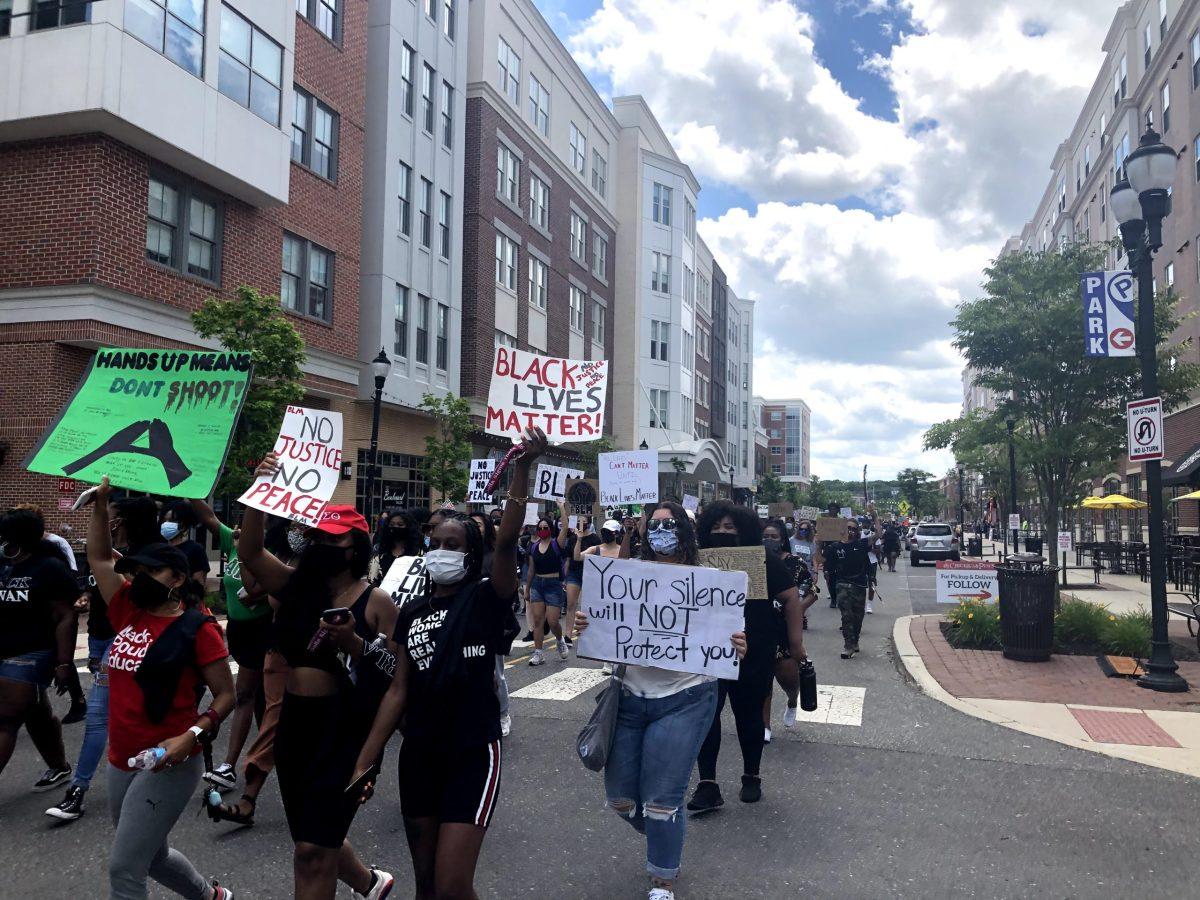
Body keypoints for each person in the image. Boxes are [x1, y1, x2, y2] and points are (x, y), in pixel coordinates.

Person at [351, 428, 539, 900]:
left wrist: (521, 467)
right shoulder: (411, 612)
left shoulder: (484, 597)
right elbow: (398, 690)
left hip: (473, 750)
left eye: (453, 545)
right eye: (434, 541)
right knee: (428, 886)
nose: (441, 550)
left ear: (470, 555)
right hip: (419, 753)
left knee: (454, 884)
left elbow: (507, 540)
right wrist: (365, 761)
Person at [237, 482, 398, 900]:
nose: (322, 544)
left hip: (345, 730)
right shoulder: (294, 587)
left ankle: (364, 881)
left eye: (333, 537)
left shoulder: (377, 602)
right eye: (316, 537)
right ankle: (370, 883)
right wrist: (259, 493)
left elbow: (397, 674)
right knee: (310, 840)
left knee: (311, 851)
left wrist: (355, 645)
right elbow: (251, 553)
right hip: (295, 728)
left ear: (356, 546)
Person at [574, 502, 744, 900]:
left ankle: (663, 880)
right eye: (655, 526)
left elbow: (731, 640)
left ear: (686, 531)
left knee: (663, 800)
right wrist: (587, 623)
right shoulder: (626, 577)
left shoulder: (710, 581)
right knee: (620, 798)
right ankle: (665, 830)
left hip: (686, 697)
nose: (662, 532)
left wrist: (739, 645)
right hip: (630, 698)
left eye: (670, 525)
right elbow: (600, 625)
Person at [85, 478, 237, 900]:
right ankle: (211, 896)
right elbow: (99, 557)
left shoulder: (198, 628)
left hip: (169, 761)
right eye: (139, 570)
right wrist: (101, 504)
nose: (142, 577)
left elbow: (227, 696)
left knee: (125, 868)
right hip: (122, 758)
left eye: (154, 570)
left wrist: (190, 736)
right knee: (151, 856)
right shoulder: (128, 609)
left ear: (178, 577)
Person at [46, 494, 159, 821]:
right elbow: (97, 588)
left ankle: (79, 789)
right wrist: (86, 598)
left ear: (122, 522)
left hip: (131, 644)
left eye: (109, 516)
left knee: (101, 715)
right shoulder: (108, 556)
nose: (106, 522)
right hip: (102, 639)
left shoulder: (149, 559)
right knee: (111, 715)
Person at [689, 502, 802, 811]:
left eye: (730, 528)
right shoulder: (696, 560)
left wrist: (795, 644)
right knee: (707, 716)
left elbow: (791, 597)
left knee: (749, 714)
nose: (722, 533)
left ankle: (751, 775)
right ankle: (707, 783)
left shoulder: (762, 559)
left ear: (745, 531)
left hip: (753, 649)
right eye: (716, 527)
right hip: (707, 650)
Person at [205, 518, 305, 828]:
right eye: (295, 525)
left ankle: (292, 792)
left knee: (288, 720)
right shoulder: (284, 558)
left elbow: (265, 592)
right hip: (277, 648)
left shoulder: (314, 565)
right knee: (272, 717)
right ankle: (249, 797)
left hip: (304, 653)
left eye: (303, 526)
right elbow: (255, 588)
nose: (298, 531)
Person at [189, 499, 272, 795]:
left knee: (246, 695)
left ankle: (230, 766)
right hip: (238, 629)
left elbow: (266, 588)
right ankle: (266, 758)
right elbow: (208, 516)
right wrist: (190, 487)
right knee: (260, 699)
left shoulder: (266, 553)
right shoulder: (233, 542)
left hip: (262, 630)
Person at [0, 507, 78, 789]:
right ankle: (59, 767)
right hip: (4, 649)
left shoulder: (48, 568)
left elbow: (65, 616)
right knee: (36, 713)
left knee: (5, 719)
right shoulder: (3, 564)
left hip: (32, 652)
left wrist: (63, 663)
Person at [759, 520, 818, 735]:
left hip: (786, 631)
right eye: (765, 536)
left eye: (773, 537)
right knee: (763, 680)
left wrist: (797, 610)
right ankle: (764, 725)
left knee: (788, 679)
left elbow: (813, 591)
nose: (769, 541)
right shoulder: (755, 562)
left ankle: (793, 701)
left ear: (783, 540)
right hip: (762, 628)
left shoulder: (796, 563)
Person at [470, 512, 512, 738]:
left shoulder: (494, 556)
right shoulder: (465, 553)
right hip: (466, 620)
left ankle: (503, 713)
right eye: (471, 525)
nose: (475, 528)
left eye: (479, 525)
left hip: (489, 620)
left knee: (496, 672)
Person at [523, 514, 569, 665]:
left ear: (551, 529)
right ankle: (539, 653)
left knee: (553, 620)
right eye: (540, 528)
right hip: (537, 584)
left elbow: (565, 526)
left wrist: (561, 507)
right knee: (537, 620)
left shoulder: (557, 544)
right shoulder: (534, 547)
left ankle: (559, 640)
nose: (542, 530)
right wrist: (527, 589)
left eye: (546, 528)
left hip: (553, 585)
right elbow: (531, 570)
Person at [829, 520, 871, 659]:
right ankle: (848, 646)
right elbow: (823, 561)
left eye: (853, 529)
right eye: (848, 528)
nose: (850, 531)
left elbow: (878, 535)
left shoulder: (861, 545)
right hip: (842, 585)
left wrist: (874, 516)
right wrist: (817, 545)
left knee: (858, 616)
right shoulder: (834, 547)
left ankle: (855, 640)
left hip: (859, 585)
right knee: (846, 616)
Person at [564, 510, 598, 651]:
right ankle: (568, 635)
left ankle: (589, 635)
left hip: (589, 574)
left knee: (588, 606)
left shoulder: (595, 539)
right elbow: (568, 559)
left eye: (583, 522)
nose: (581, 524)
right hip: (574, 573)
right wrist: (564, 577)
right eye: (579, 522)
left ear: (588, 523)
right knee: (571, 604)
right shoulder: (572, 539)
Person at [159, 501, 210, 588]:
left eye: (172, 520)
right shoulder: (159, 548)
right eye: (164, 520)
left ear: (183, 524)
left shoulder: (196, 549)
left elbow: (199, 583)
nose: (166, 524)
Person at [369, 509, 419, 585]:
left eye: (400, 525)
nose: (395, 527)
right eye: (391, 525)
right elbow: (372, 579)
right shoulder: (380, 554)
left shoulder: (418, 553)